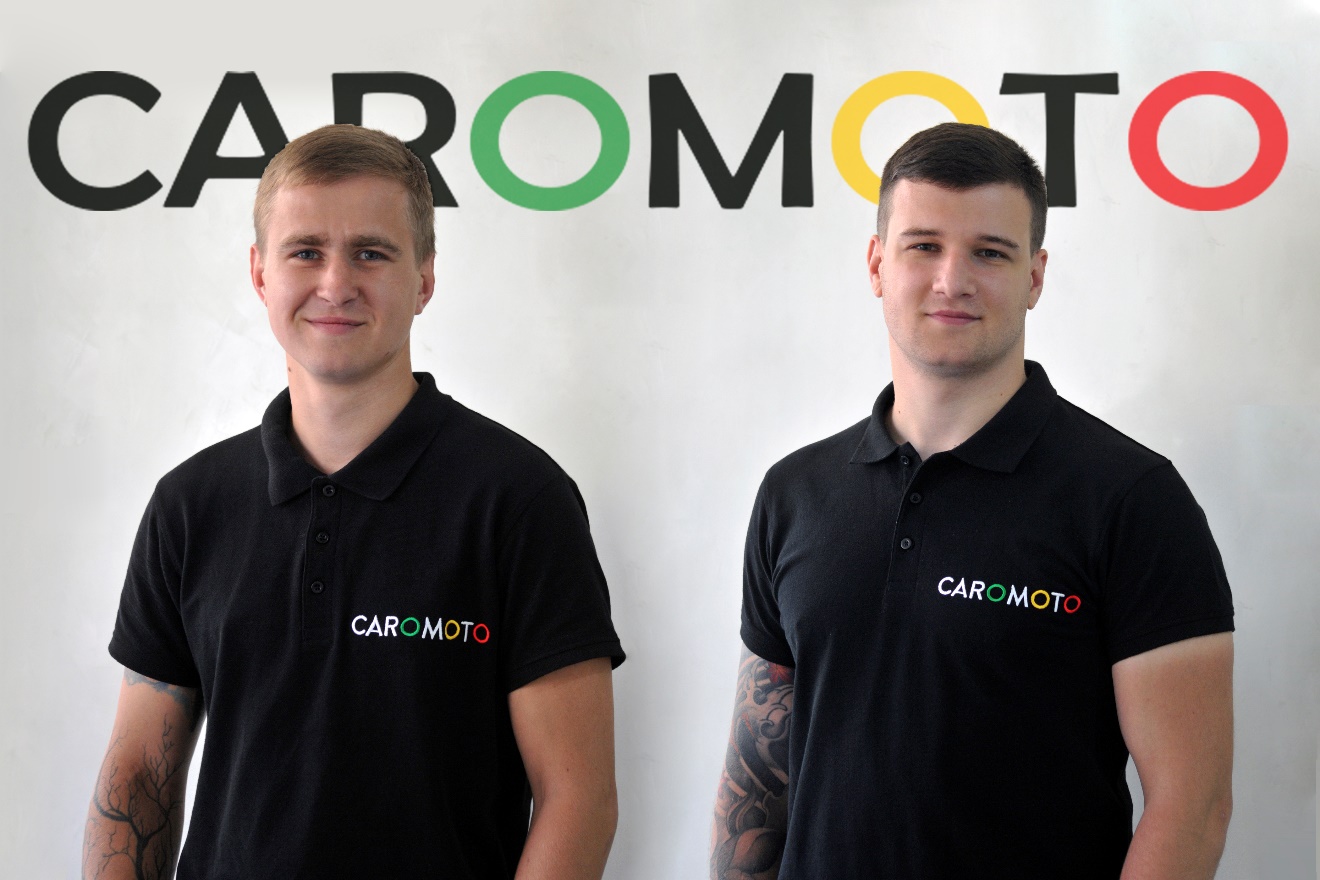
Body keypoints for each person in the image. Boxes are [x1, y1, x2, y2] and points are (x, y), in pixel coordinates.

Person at [83, 124, 625, 880]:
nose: (336, 284)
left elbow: (578, 799)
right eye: (305, 251)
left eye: (371, 253)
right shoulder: (191, 504)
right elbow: (138, 773)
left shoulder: (520, 498)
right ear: (260, 273)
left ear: (425, 279)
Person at [711, 123, 1234, 879]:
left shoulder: (1131, 498)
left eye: (990, 252)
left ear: (1035, 277)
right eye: (923, 245)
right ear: (877, 263)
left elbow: (1192, 806)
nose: (952, 280)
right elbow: (758, 774)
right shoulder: (795, 491)